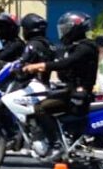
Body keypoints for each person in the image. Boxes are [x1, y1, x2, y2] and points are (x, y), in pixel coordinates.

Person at [21, 11, 98, 159]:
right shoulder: (77, 46)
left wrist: (40, 66)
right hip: (71, 90)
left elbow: (66, 63)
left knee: (40, 108)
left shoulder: (85, 47)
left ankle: (55, 144)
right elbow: (60, 60)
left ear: (74, 29)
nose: (63, 32)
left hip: (77, 93)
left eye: (66, 28)